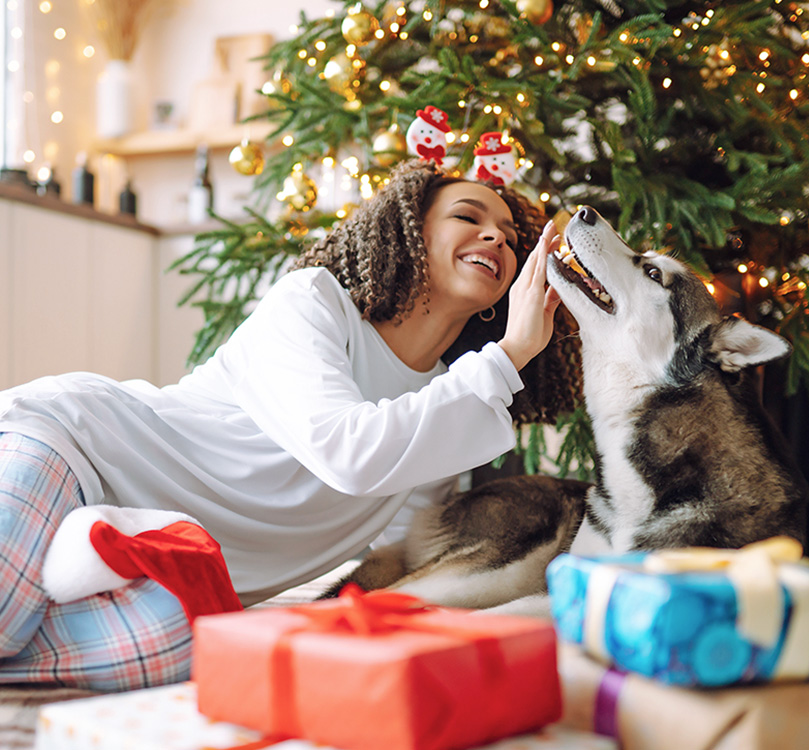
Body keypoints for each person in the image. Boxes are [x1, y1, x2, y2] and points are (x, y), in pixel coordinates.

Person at [0, 159, 582, 691]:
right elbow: (348, 451)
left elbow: (403, 556)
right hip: (73, 447)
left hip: (171, 567)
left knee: (185, 644)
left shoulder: (443, 409)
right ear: (410, 233)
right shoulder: (313, 303)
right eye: (468, 216)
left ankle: (67, 569)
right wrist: (511, 353)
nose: (496, 238)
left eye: (509, 237)